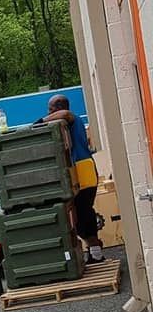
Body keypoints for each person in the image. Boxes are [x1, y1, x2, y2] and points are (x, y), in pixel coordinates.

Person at [35, 94, 105, 263]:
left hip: (84, 170)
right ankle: (94, 251)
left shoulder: (72, 118)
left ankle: (96, 253)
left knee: (84, 212)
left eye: (51, 110)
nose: (49, 113)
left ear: (59, 108)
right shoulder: (69, 124)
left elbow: (65, 114)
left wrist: (40, 122)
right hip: (78, 170)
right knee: (79, 213)